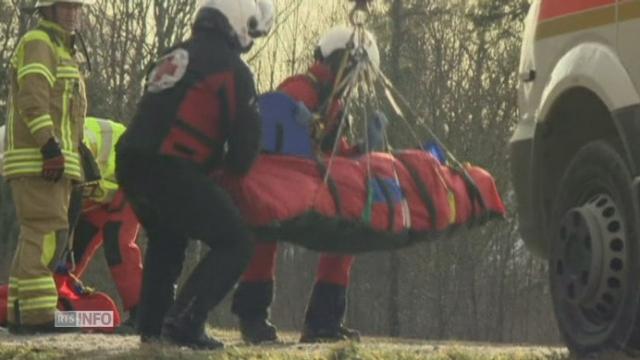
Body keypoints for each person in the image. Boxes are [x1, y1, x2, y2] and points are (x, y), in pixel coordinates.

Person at [115, 0, 274, 350]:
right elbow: (245, 148)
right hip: (171, 166)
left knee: (167, 239)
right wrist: (226, 180)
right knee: (237, 241)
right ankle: (184, 321)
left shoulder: (176, 53)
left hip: (130, 162)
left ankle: (152, 329)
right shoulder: (233, 69)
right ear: (239, 23)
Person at [231, 25, 382, 344]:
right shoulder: (301, 89)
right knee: (265, 233)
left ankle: (323, 322)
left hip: (307, 185)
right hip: (273, 182)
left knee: (346, 232)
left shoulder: (334, 105)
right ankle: (253, 317)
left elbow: (333, 154)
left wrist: (361, 150)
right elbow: (273, 136)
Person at [2, 0, 91, 334]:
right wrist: (49, 146)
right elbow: (32, 97)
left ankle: (22, 314)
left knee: (34, 236)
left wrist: (77, 154)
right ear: (48, 11)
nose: (72, 13)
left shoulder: (61, 49)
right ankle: (39, 317)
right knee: (47, 232)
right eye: (65, 7)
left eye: (76, 8)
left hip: (54, 161)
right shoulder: (39, 43)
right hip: (40, 160)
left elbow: (68, 113)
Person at [69, 117, 142, 329]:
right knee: (73, 249)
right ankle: (59, 292)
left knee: (118, 240)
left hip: (132, 176)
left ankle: (142, 313)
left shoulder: (73, 141)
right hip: (101, 191)